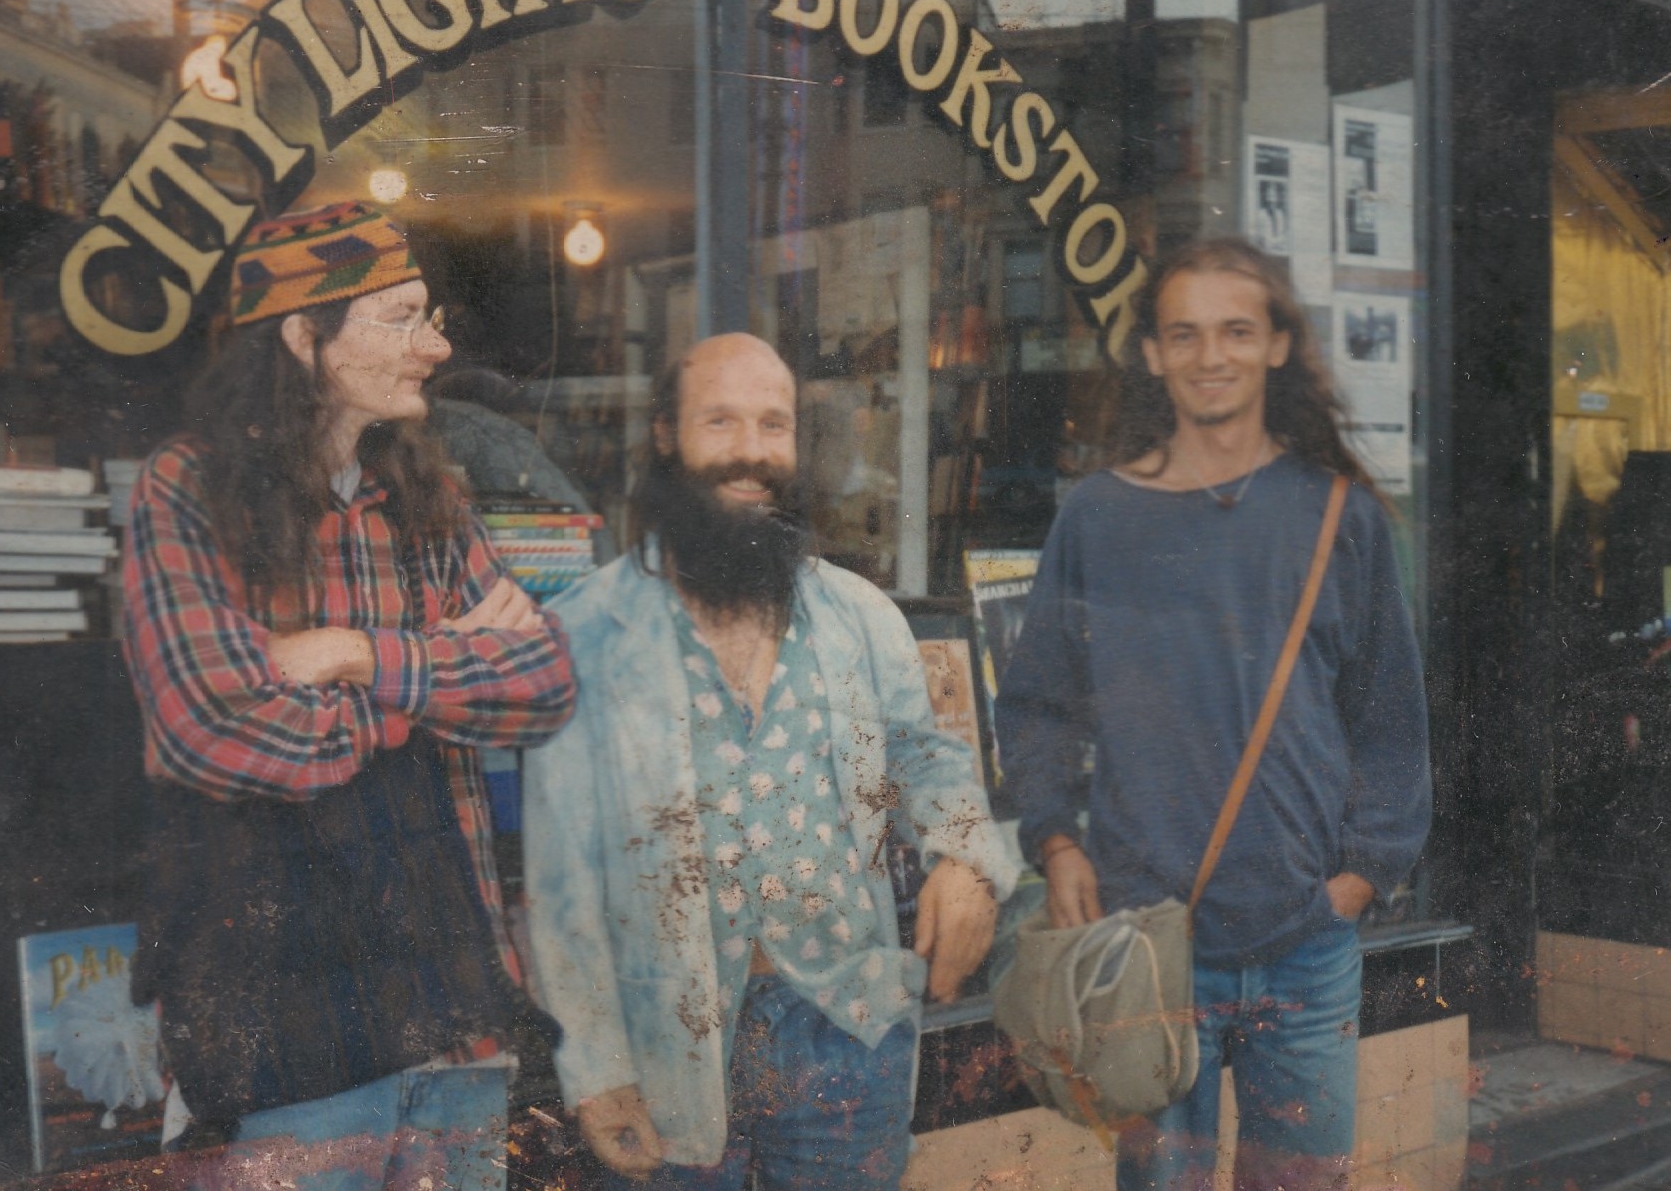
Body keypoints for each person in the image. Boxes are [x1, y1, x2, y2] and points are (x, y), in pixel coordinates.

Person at [118, 200, 576, 1191]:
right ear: (302, 337)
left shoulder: (424, 496)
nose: (435, 346)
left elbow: (543, 684)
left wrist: (349, 655)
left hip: (453, 1016)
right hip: (286, 1033)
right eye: (401, 318)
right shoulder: (187, 489)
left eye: (430, 316)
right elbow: (218, 730)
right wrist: (438, 666)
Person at [523, 333, 1020, 1191]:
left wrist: (968, 857)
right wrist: (596, 1068)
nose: (750, 451)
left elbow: (924, 759)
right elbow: (559, 882)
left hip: (847, 1027)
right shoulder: (584, 633)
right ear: (667, 436)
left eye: (773, 424)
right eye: (720, 421)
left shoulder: (859, 615)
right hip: (667, 1040)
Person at [997, 237, 1430, 1191]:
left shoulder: (1339, 516)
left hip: (1305, 943)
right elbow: (1036, 705)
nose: (1210, 355)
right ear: (1153, 354)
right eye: (1183, 334)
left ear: (1275, 345)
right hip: (1150, 948)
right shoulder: (1098, 516)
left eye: (1236, 330)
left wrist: (1357, 881)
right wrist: (1056, 844)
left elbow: (1390, 723)